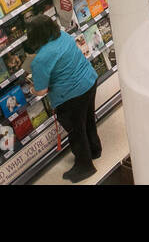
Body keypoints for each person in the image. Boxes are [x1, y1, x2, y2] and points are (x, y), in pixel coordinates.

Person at [25, 15, 99, 182]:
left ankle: (84, 167)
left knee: (76, 132)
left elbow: (42, 90)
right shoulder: (64, 36)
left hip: (70, 96)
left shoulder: (41, 59)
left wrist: (31, 89)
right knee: (88, 120)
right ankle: (95, 150)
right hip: (89, 81)